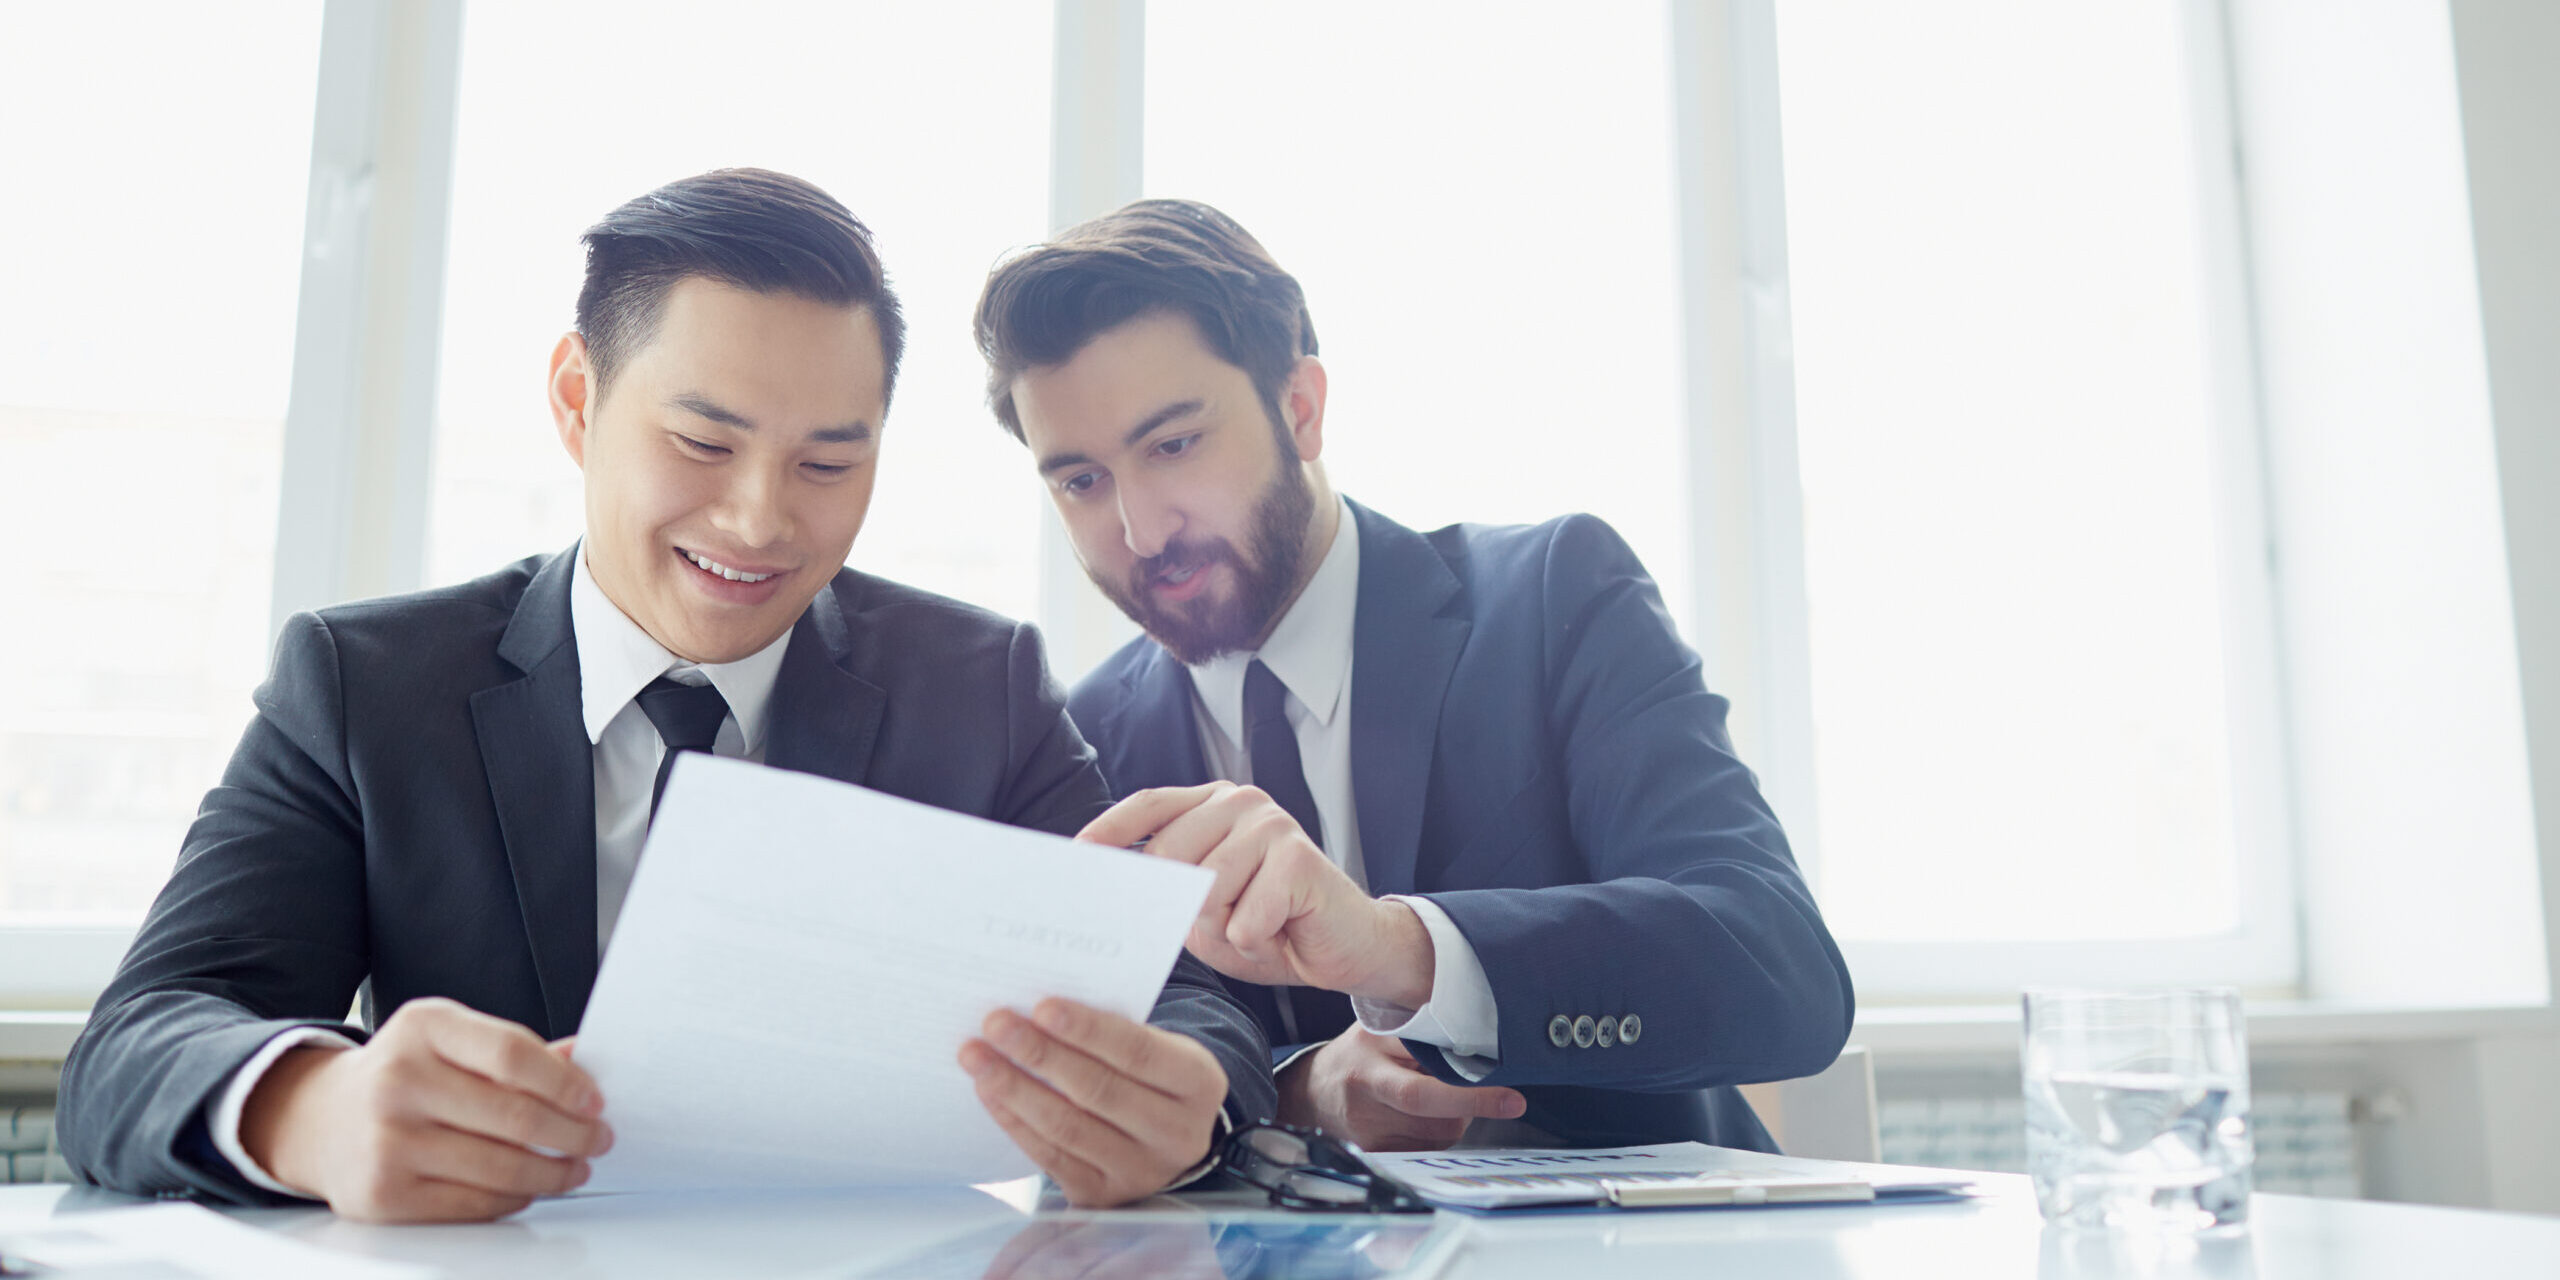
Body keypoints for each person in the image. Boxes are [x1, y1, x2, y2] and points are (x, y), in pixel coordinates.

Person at [58, 170, 1273, 1221]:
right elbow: (136, 1041)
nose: (760, 518)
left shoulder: (978, 684)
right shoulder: (366, 687)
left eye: (828, 462)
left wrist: (1187, 1101)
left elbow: (1191, 999)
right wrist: (312, 1107)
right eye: (702, 443)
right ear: (578, 403)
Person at [972, 199, 1852, 1153]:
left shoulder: (1555, 597)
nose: (1141, 531)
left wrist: (1402, 951)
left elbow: (1784, 974)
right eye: (1081, 482)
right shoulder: (1085, 741)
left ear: (1300, 409)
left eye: (1174, 445)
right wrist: (1299, 1089)